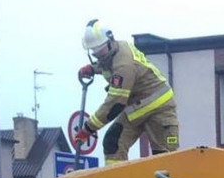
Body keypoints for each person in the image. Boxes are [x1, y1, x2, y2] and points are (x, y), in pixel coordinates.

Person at [74, 19, 180, 164]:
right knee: (113, 143)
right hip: (136, 108)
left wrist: (88, 129)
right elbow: (109, 64)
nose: (99, 55)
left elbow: (115, 104)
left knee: (165, 158)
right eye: (94, 52)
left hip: (159, 109)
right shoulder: (116, 50)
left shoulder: (124, 66)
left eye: (100, 51)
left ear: (110, 41)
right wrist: (93, 68)